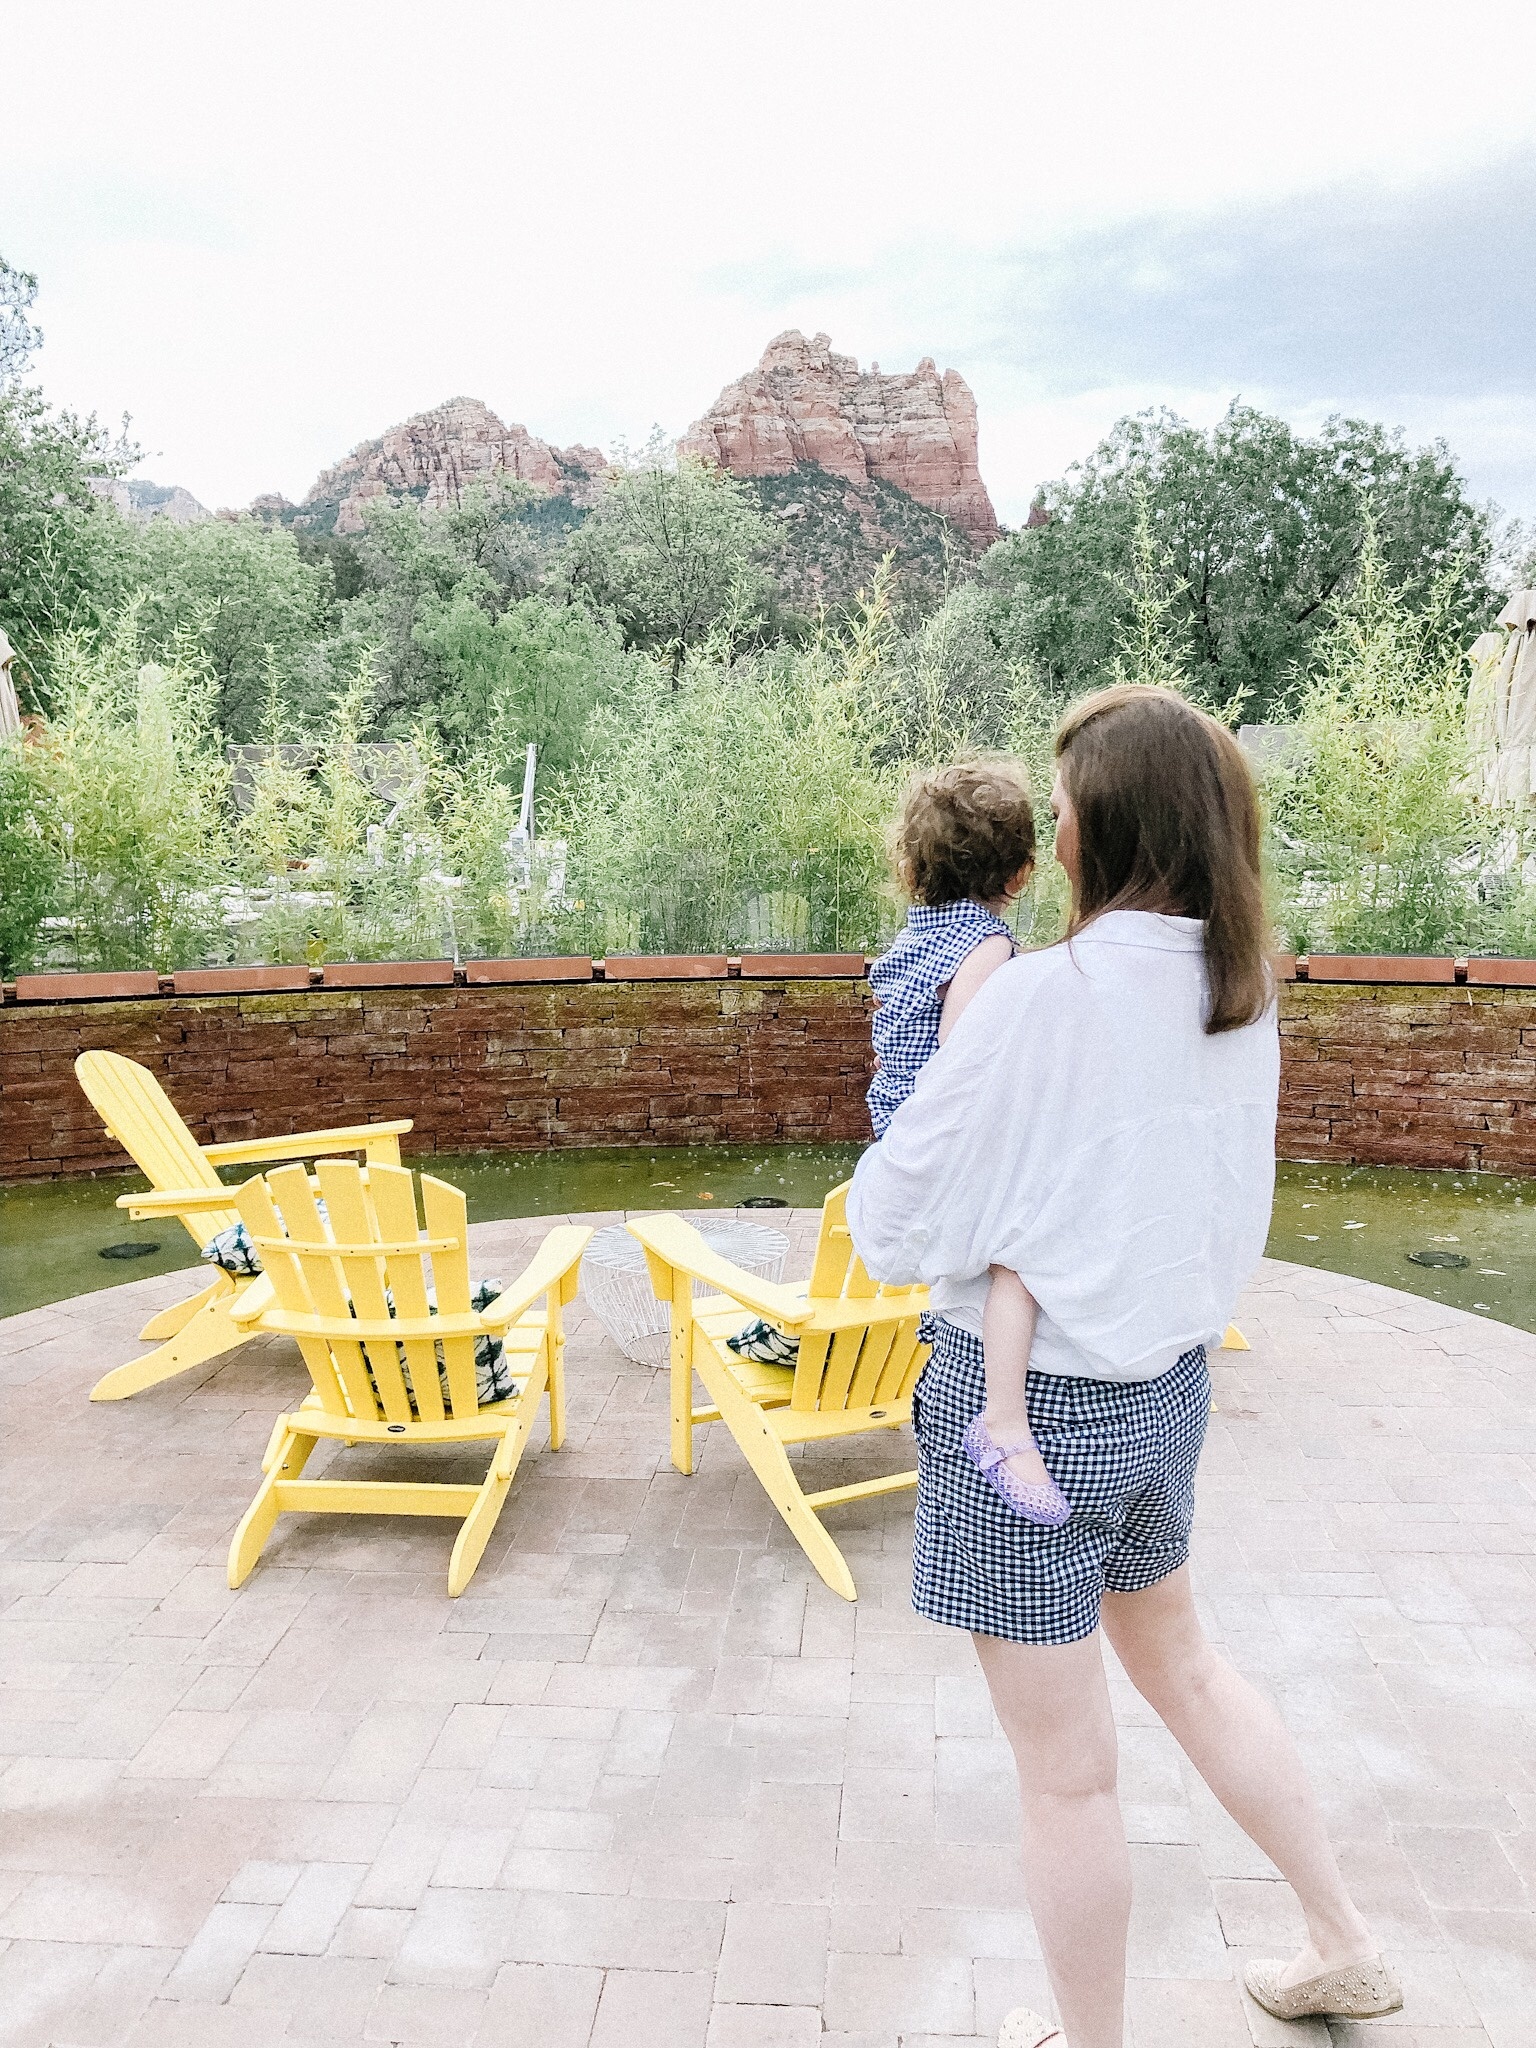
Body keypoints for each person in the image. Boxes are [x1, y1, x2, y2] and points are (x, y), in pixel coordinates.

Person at [846, 687, 1399, 2048]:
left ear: (1103, 829)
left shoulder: (1045, 996)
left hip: (1025, 1420)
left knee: (1069, 1781)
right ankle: (1346, 1939)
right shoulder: (1241, 986)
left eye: (1074, 804)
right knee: (1192, 1672)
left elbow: (890, 1227)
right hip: (1162, 1393)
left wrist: (1006, 1227)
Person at [867, 760, 1067, 1526]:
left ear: (912, 867)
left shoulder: (918, 935)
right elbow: (963, 1064)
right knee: (1019, 1259)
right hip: (939, 1143)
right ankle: (1004, 1420)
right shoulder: (987, 948)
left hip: (895, 1127)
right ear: (1021, 873)